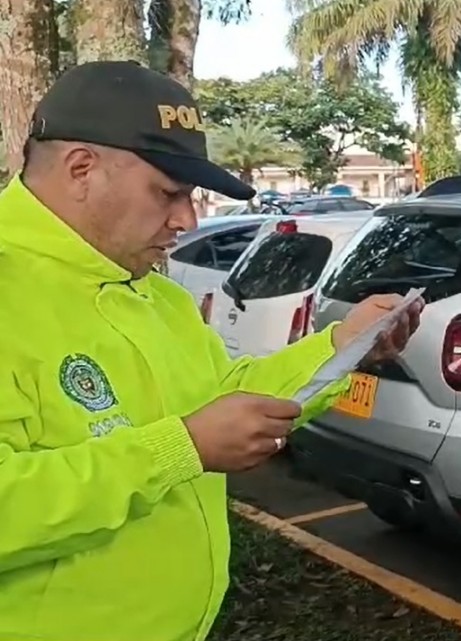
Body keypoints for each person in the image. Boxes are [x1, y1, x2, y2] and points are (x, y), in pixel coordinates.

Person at [0, 60, 424, 641]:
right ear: (81, 170)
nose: (188, 220)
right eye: (169, 193)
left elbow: (227, 399)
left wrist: (342, 348)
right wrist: (181, 448)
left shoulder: (152, 294)